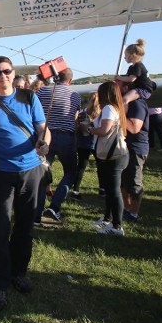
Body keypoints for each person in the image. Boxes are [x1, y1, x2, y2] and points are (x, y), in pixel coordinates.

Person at [0, 56, 49, 309]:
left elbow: (42, 128)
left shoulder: (29, 97)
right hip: (1, 173)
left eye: (6, 71)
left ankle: (19, 273)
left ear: (13, 72)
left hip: (31, 170)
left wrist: (44, 141)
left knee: (25, 226)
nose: (2, 76)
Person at [36, 67, 80, 223]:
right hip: (65, 137)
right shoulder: (75, 95)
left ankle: (37, 210)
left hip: (45, 135)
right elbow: (75, 117)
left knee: (42, 173)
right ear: (70, 80)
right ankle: (54, 206)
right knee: (70, 172)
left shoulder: (42, 91)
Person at [86, 82, 130, 235]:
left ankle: (117, 226)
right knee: (111, 189)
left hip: (114, 156)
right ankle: (108, 219)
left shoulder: (108, 108)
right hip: (115, 154)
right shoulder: (116, 108)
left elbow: (104, 130)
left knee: (114, 190)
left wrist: (90, 129)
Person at [120, 82, 149, 223]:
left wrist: (119, 114)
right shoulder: (128, 104)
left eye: (118, 86)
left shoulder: (137, 104)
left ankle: (134, 213)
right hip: (126, 147)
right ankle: (126, 209)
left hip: (136, 147)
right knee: (123, 181)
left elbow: (134, 128)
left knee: (134, 182)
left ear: (126, 88)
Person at [72, 92, 100, 199]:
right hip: (97, 142)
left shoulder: (83, 113)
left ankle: (75, 190)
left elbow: (77, 126)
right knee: (101, 167)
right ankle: (102, 188)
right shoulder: (101, 114)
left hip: (83, 142)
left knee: (81, 166)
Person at [115, 39, 154, 105]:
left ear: (132, 55)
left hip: (143, 89)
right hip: (141, 88)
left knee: (124, 99)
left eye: (126, 55)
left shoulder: (138, 65)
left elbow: (131, 79)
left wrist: (118, 77)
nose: (124, 57)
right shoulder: (133, 67)